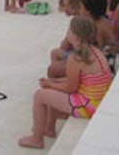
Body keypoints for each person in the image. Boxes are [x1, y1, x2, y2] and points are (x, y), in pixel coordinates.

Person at [19, 16, 112, 149]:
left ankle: (37, 139)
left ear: (76, 35)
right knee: (53, 90)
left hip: (88, 106)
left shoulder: (76, 57)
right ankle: (49, 129)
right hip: (97, 101)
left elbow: (70, 88)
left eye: (69, 30)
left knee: (40, 95)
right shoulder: (95, 51)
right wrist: (54, 81)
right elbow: (78, 81)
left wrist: (51, 84)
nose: (67, 33)